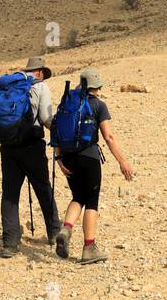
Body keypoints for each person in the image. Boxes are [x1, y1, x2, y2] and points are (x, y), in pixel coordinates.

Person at [54, 69, 134, 264]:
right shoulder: (99, 105)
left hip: (68, 158)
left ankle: (66, 228)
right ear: (98, 86)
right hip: (89, 158)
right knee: (91, 201)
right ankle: (89, 248)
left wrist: (58, 160)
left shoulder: (67, 102)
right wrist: (122, 161)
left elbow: (56, 130)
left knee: (77, 196)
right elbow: (109, 137)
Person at [0, 56, 63, 258]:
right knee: (42, 187)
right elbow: (45, 118)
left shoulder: (8, 86)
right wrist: (57, 128)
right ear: (40, 72)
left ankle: (10, 244)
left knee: (10, 193)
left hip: (8, 146)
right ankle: (54, 233)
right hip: (31, 146)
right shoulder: (40, 87)